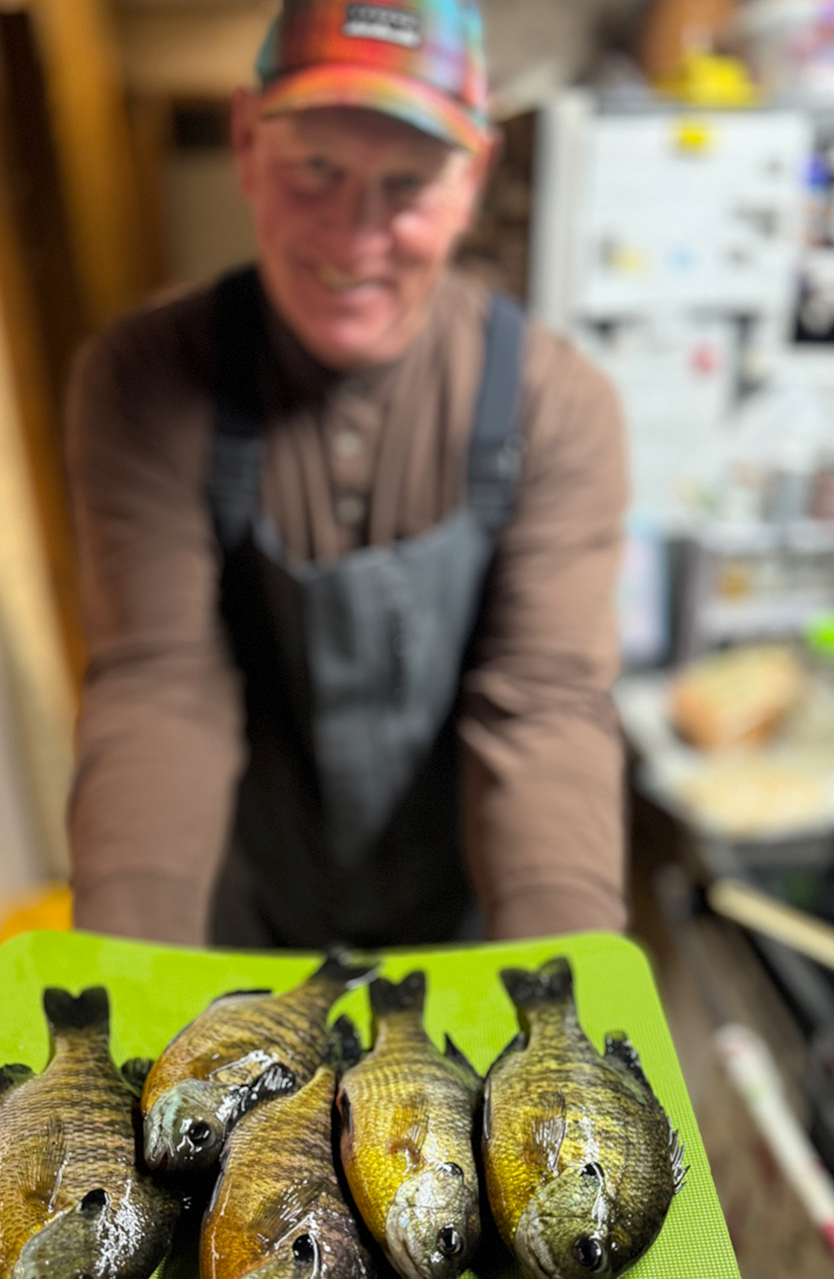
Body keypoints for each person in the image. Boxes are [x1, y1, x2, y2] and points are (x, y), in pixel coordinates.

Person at [66, 0, 629, 952]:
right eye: (315, 167)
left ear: (472, 180)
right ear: (247, 142)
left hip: (470, 915)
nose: (353, 236)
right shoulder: (142, 376)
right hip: (243, 910)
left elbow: (542, 706)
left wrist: (567, 973)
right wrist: (128, 968)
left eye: (406, 184)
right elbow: (160, 687)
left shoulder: (557, 405)